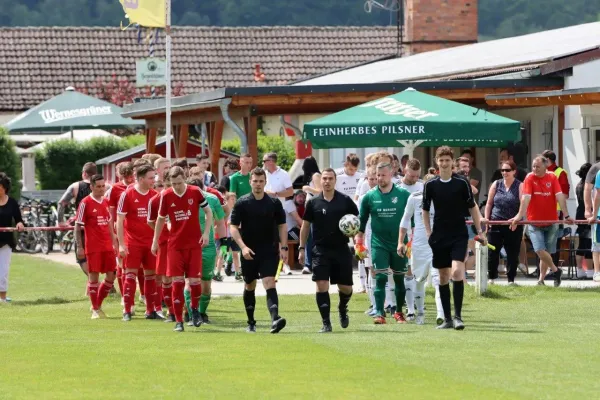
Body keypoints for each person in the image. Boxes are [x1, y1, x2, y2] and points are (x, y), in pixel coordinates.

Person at [422, 146, 486, 330]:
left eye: (447, 160)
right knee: (442, 277)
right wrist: (428, 232)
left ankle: (458, 317)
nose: (444, 163)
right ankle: (448, 319)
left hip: (459, 233)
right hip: (439, 235)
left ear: (453, 162)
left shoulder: (461, 183)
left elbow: (473, 207)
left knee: (457, 272)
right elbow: (425, 210)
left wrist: (479, 230)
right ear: (436, 162)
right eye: (441, 160)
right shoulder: (430, 185)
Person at [151, 166, 213, 332]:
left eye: (179, 183)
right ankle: (178, 321)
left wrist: (206, 233)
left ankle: (194, 310)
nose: (176, 186)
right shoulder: (166, 195)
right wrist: (155, 241)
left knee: (195, 282)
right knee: (177, 282)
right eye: (173, 183)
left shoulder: (195, 191)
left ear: (184, 179)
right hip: (175, 246)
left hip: (194, 245)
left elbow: (209, 212)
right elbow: (160, 219)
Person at [298, 168, 358, 332]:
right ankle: (326, 323)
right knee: (321, 284)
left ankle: (342, 307)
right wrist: (302, 248)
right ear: (320, 181)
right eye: (324, 178)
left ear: (335, 180)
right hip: (320, 250)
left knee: (345, 287)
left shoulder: (345, 200)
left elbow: (356, 222)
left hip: (341, 249)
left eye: (330, 178)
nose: (327, 181)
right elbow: (305, 227)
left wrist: (358, 241)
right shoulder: (313, 202)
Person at [230, 167, 288, 334]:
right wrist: (243, 247)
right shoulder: (242, 203)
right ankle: (251, 322)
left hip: (269, 250)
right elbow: (233, 227)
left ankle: (275, 319)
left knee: (269, 282)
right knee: (250, 285)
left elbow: (282, 226)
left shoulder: (274, 203)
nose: (258, 184)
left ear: (265, 182)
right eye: (255, 181)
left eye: (261, 181)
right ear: (250, 182)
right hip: (249, 251)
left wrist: (283, 246)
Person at [357, 162, 411, 325]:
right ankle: (380, 313)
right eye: (378, 175)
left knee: (399, 279)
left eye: (383, 175)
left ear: (392, 174)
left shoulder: (403, 195)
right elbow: (362, 222)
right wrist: (359, 242)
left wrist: (412, 241)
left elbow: (412, 220)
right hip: (378, 243)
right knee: (380, 277)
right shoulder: (369, 197)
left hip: (400, 244)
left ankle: (399, 312)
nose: (380, 179)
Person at [510, 154, 572, 287]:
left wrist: (566, 215)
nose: (534, 169)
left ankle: (541, 280)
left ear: (546, 166)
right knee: (539, 250)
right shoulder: (529, 177)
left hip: (552, 222)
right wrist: (519, 216)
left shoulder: (553, 176)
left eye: (538, 166)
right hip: (534, 222)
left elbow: (560, 196)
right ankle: (556, 271)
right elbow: (525, 198)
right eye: (533, 166)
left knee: (546, 253)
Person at [116, 164, 162, 321]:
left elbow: (160, 221)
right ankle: (127, 310)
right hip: (133, 243)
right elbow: (119, 221)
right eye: (151, 178)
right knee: (130, 275)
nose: (153, 180)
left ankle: (150, 311)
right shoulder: (127, 194)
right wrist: (121, 244)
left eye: (154, 177)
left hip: (150, 244)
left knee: (151, 276)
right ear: (141, 179)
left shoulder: (155, 195)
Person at [398, 172, 444, 325]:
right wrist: (400, 242)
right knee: (419, 280)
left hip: (438, 244)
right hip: (419, 245)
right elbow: (405, 220)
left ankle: (441, 314)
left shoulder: (443, 198)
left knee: (439, 279)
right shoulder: (415, 198)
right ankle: (419, 313)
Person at [74, 174, 118, 319]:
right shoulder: (85, 203)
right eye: (98, 186)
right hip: (93, 247)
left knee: (111, 276)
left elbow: (110, 225)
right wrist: (79, 247)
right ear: (91, 187)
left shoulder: (105, 201)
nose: (101, 189)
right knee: (93, 277)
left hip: (107, 246)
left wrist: (115, 243)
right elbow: (77, 226)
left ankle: (97, 305)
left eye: (102, 186)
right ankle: (95, 309)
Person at [184, 177, 226, 324]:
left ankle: (201, 313)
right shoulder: (182, 199)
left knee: (206, 286)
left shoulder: (212, 199)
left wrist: (224, 244)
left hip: (208, 247)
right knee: (190, 282)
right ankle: (191, 314)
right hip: (188, 247)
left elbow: (220, 222)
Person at [484, 160, 523, 285]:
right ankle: (492, 277)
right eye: (503, 170)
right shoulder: (497, 184)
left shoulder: (520, 185)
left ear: (514, 172)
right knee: (493, 251)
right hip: (495, 222)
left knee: (512, 252)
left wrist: (517, 218)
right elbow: (489, 203)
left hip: (513, 224)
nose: (504, 172)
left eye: (507, 170)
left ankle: (511, 279)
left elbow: (523, 204)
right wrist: (487, 219)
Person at [395, 158, 424, 321]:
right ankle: (397, 305)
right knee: (401, 272)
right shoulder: (397, 188)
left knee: (413, 271)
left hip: (418, 235)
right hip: (401, 233)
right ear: (405, 171)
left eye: (416, 176)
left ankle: (413, 308)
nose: (414, 179)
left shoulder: (422, 187)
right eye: (411, 175)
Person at [57, 162, 98, 277]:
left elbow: (61, 203)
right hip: (100, 225)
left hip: (82, 226)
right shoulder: (104, 185)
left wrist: (61, 222)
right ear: (96, 174)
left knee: (82, 257)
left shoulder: (75, 186)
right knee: (99, 256)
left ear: (84, 173)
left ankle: (96, 282)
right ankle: (105, 283)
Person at [148, 172, 175, 322]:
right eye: (169, 184)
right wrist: (161, 234)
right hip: (165, 244)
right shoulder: (155, 200)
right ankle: (171, 312)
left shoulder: (184, 195)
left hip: (182, 242)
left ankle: (186, 310)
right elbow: (151, 221)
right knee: (165, 277)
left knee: (183, 278)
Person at [106, 161, 135, 301]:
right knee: (122, 264)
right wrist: (113, 234)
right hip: (121, 231)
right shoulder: (115, 189)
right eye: (126, 176)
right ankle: (125, 296)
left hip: (136, 231)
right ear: (121, 175)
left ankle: (142, 296)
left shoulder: (138, 186)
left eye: (131, 176)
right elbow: (111, 214)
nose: (129, 179)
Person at [0, 173, 24, 303]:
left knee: (3, 272)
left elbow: (19, 220)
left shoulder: (12, 202)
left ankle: (2, 298)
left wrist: (20, 224)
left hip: (5, 242)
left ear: (4, 188)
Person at [575, 163, 592, 279]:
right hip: (587, 215)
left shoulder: (579, 184)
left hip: (579, 215)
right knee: (589, 244)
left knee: (582, 244)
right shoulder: (587, 185)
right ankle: (590, 270)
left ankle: (579, 269)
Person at [583, 161, 600, 281]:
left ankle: (597, 272)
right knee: (596, 245)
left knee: (597, 245)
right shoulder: (597, 170)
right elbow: (589, 190)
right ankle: (597, 272)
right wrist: (589, 211)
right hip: (598, 215)